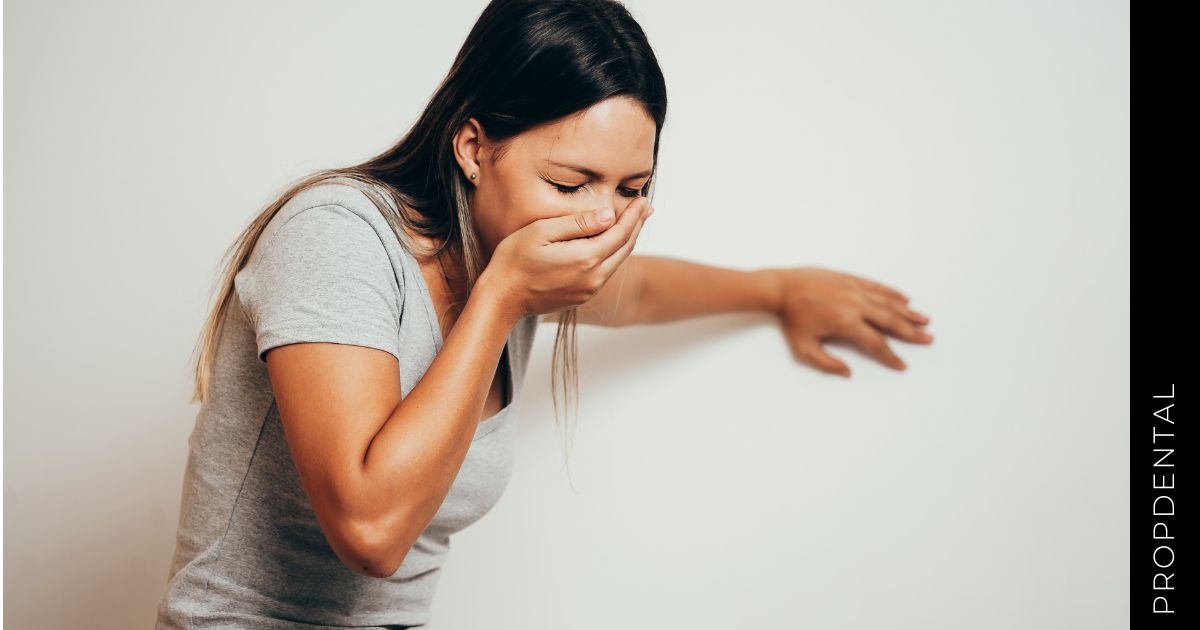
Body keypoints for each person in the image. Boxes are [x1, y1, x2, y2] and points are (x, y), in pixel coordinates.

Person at [155, 0, 934, 627]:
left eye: (632, 190)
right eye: (571, 183)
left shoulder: (512, 250)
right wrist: (499, 300)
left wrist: (777, 289)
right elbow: (369, 531)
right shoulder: (339, 235)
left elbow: (641, 291)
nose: (600, 223)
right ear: (472, 146)